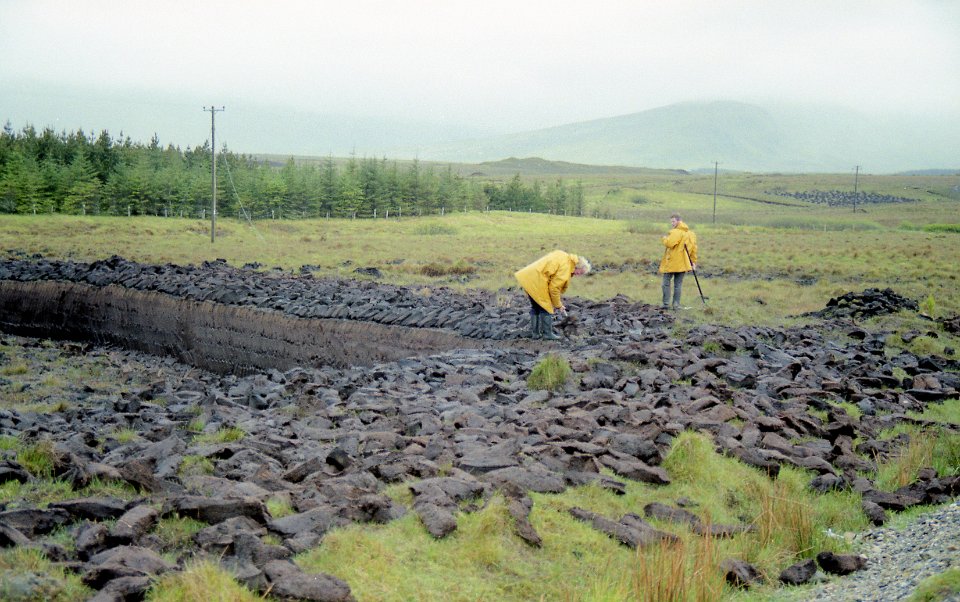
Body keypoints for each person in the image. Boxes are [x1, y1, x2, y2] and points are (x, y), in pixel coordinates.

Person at [515, 250, 591, 340]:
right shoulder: (566, 268)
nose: (578, 275)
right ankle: (547, 334)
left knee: (536, 307)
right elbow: (554, 288)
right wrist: (558, 305)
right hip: (537, 280)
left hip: (528, 276)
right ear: (578, 266)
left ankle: (536, 334)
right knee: (546, 308)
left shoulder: (564, 257)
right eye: (580, 272)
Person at [659, 213, 698, 309]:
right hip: (683, 263)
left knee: (665, 283)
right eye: (671, 221)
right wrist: (693, 262)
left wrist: (664, 238)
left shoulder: (675, 232)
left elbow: (669, 244)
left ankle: (666, 304)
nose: (672, 223)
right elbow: (693, 249)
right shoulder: (691, 234)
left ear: (679, 221)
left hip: (672, 262)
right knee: (678, 284)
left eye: (673, 221)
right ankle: (676, 305)